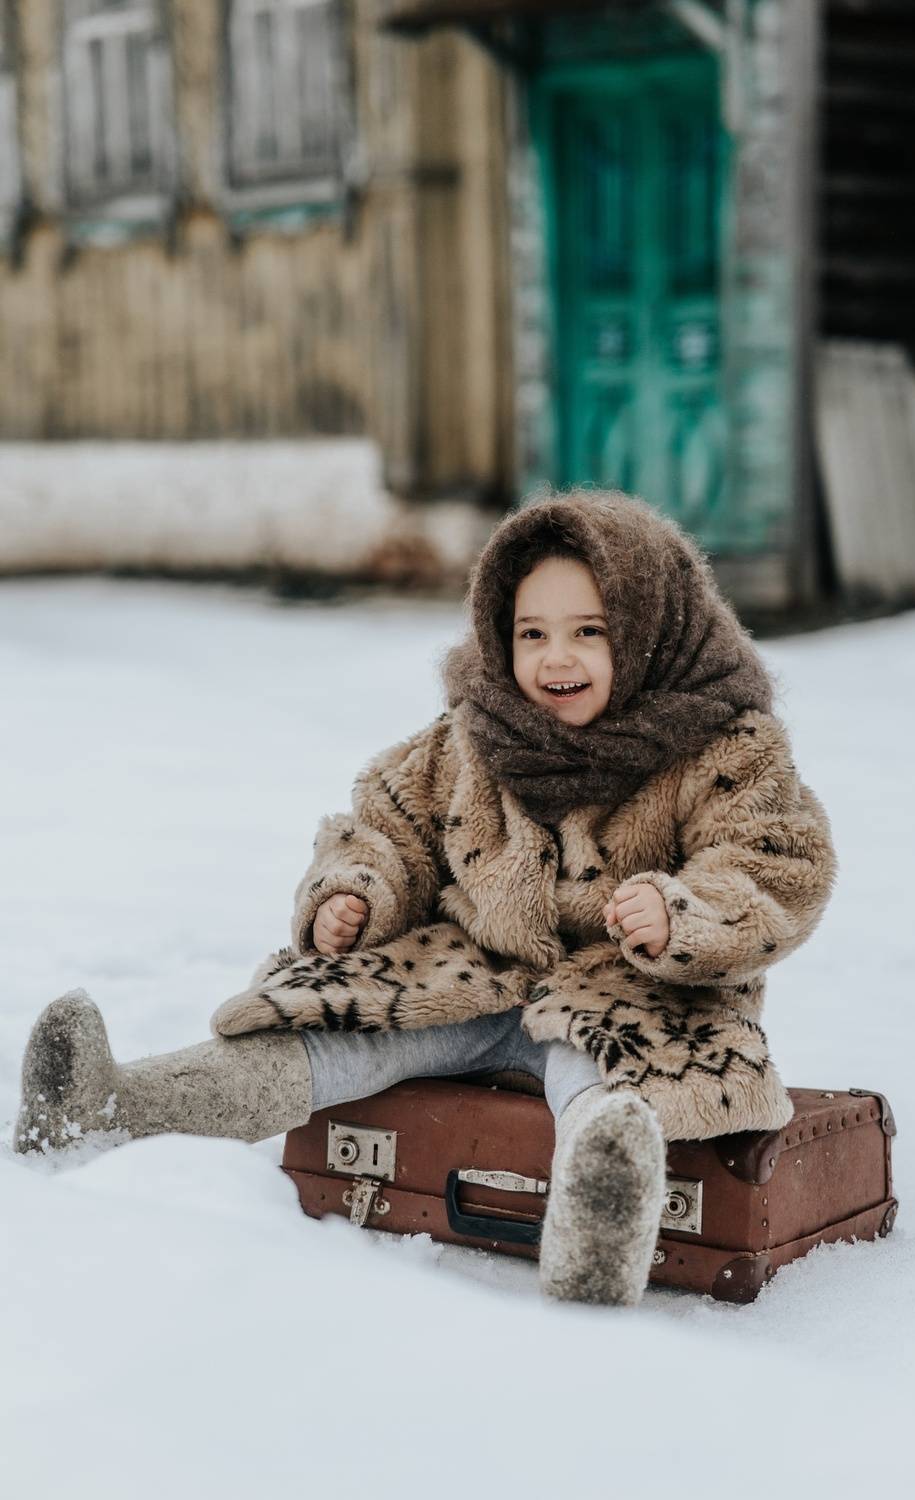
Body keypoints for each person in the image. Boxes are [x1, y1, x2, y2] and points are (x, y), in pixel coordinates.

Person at [13, 489, 836, 1306]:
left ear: (652, 626)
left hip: (630, 995)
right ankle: (112, 1106)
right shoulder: (477, 736)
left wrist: (680, 914)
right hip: (472, 978)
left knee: (609, 1086)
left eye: (590, 632)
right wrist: (354, 892)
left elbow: (771, 864)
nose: (556, 659)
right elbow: (389, 828)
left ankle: (600, 1215)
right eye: (533, 634)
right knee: (334, 1032)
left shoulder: (724, 747)